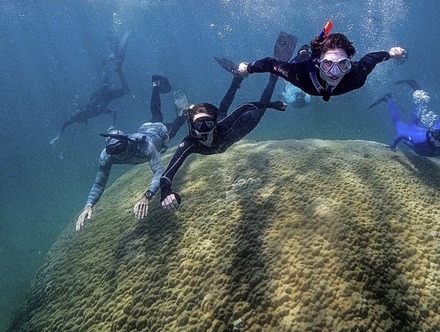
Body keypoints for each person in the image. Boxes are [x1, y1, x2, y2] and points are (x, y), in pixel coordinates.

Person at [159, 32, 297, 210]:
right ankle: (237, 77)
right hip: (226, 132)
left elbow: (246, 107)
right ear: (192, 128)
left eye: (208, 124)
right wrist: (165, 191)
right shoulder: (189, 144)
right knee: (222, 110)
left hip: (236, 130)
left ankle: (271, 76)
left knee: (249, 112)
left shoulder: (220, 126)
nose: (204, 131)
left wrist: (271, 105)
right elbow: (167, 175)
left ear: (213, 124)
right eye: (198, 126)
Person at [75, 75, 187, 230]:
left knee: (175, 120)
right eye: (113, 150)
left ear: (126, 142)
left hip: (160, 133)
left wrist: (147, 197)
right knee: (156, 114)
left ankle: (183, 111)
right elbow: (99, 183)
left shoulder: (143, 146)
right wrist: (88, 205)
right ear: (108, 148)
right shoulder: (106, 156)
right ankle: (155, 85)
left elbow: (160, 171)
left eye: (119, 148)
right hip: (145, 128)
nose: (118, 154)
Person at [236, 20, 407, 101]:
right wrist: (249, 68)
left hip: (314, 74)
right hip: (306, 65)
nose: (334, 72)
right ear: (319, 63)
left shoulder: (357, 75)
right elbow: (269, 63)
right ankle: (305, 50)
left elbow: (372, 59)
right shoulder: (298, 74)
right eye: (328, 64)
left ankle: (308, 50)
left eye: (343, 64)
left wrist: (390, 54)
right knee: (302, 57)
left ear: (350, 64)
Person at [50, 33, 130, 145]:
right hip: (107, 96)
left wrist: (58, 136)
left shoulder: (89, 110)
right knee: (125, 90)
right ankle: (118, 69)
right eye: (80, 116)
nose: (80, 114)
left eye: (79, 114)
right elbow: (67, 123)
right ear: (83, 119)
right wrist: (112, 124)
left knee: (106, 86)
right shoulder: (89, 113)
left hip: (103, 93)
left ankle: (105, 65)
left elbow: (67, 123)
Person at [368, 80, 440, 157]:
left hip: (418, 132)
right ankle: (388, 99)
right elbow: (401, 134)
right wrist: (393, 145)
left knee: (414, 123)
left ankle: (418, 94)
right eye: (436, 134)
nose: (438, 140)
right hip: (412, 132)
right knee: (398, 123)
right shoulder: (419, 139)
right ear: (432, 133)